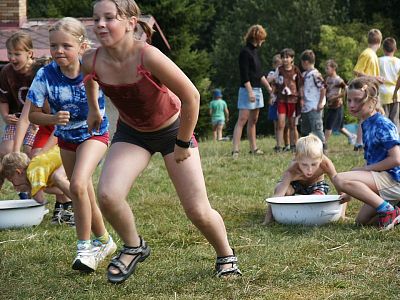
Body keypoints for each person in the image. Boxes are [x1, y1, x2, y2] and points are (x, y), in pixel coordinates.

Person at [82, 0, 241, 283]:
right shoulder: (91, 60)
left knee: (197, 210)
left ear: (131, 22)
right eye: (96, 19)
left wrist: (182, 143)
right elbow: (89, 78)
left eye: (109, 18)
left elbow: (191, 97)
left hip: (172, 132)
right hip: (132, 134)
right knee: (107, 195)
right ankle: (134, 246)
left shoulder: (148, 56)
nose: (101, 25)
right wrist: (95, 108)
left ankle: (225, 255)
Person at [27, 17, 116, 272]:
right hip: (66, 138)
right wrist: (52, 118)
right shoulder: (45, 74)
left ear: (82, 46)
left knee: (76, 183)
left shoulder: (93, 68)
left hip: (94, 134)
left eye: (66, 45)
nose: (59, 51)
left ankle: (84, 249)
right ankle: (105, 242)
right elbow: (33, 114)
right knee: (83, 191)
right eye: (54, 46)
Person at [333, 77, 400, 230]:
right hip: (383, 179)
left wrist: (364, 170)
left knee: (339, 178)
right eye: (349, 100)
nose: (352, 105)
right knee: (361, 222)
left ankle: (389, 211)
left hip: (394, 180)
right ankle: (394, 209)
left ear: (372, 101)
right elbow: (376, 158)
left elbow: (396, 159)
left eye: (357, 100)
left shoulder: (383, 124)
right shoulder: (366, 123)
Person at [263, 134, 346, 224]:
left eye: (314, 164)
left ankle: (303, 204)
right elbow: (278, 196)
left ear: (321, 158)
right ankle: (296, 204)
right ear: (297, 159)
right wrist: (268, 219)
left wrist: (342, 214)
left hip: (316, 186)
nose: (309, 170)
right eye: (304, 165)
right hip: (297, 186)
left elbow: (342, 190)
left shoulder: (325, 164)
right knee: (280, 187)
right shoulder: (292, 169)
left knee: (317, 198)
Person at [1, 146, 74, 226]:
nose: (15, 187)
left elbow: (40, 199)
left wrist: (30, 189)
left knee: (58, 179)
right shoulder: (35, 168)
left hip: (70, 155)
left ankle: (81, 204)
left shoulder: (33, 171)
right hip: (70, 153)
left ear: (18, 172)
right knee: (57, 183)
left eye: (12, 181)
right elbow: (60, 191)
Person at [231, 24, 272, 159]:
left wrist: (269, 88)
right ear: (257, 37)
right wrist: (250, 92)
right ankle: (235, 150)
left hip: (257, 90)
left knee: (253, 121)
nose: (263, 41)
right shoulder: (245, 52)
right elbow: (245, 75)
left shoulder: (255, 52)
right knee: (242, 119)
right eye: (262, 38)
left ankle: (253, 148)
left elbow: (259, 74)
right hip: (247, 90)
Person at [353, 29, 383, 151]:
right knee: (370, 115)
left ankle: (363, 142)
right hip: (366, 89)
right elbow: (356, 71)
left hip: (372, 89)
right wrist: (374, 77)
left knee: (372, 115)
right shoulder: (367, 54)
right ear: (380, 42)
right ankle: (359, 143)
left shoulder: (372, 55)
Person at [273, 48, 303, 153]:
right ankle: (278, 146)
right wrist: (272, 95)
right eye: (283, 57)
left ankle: (294, 145)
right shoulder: (279, 70)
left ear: (292, 58)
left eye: (287, 57)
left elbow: (300, 85)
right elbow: (274, 83)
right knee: (281, 123)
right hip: (281, 99)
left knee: (292, 124)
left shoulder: (296, 70)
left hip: (293, 100)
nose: (285, 59)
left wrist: (302, 99)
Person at [324, 59, 357, 146]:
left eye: (327, 68)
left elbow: (347, 90)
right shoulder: (327, 79)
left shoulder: (338, 80)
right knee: (340, 127)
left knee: (329, 125)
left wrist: (336, 97)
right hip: (330, 105)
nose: (326, 70)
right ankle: (351, 136)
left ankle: (324, 144)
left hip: (337, 105)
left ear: (333, 68)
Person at [300, 50, 326, 150]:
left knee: (317, 128)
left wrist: (320, 103)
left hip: (314, 106)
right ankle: (303, 148)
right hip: (306, 107)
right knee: (304, 129)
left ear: (305, 62)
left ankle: (323, 148)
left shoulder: (316, 74)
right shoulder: (305, 74)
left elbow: (323, 88)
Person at [378, 37, 400, 131]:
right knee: (395, 120)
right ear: (395, 49)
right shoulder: (398, 61)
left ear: (383, 49)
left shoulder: (378, 61)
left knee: (383, 120)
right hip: (396, 93)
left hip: (382, 94)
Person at [266, 54, 282, 151]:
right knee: (276, 123)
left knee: (284, 123)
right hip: (274, 100)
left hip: (283, 100)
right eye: (277, 65)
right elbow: (269, 81)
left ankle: (285, 143)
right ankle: (277, 143)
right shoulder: (272, 73)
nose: (279, 67)